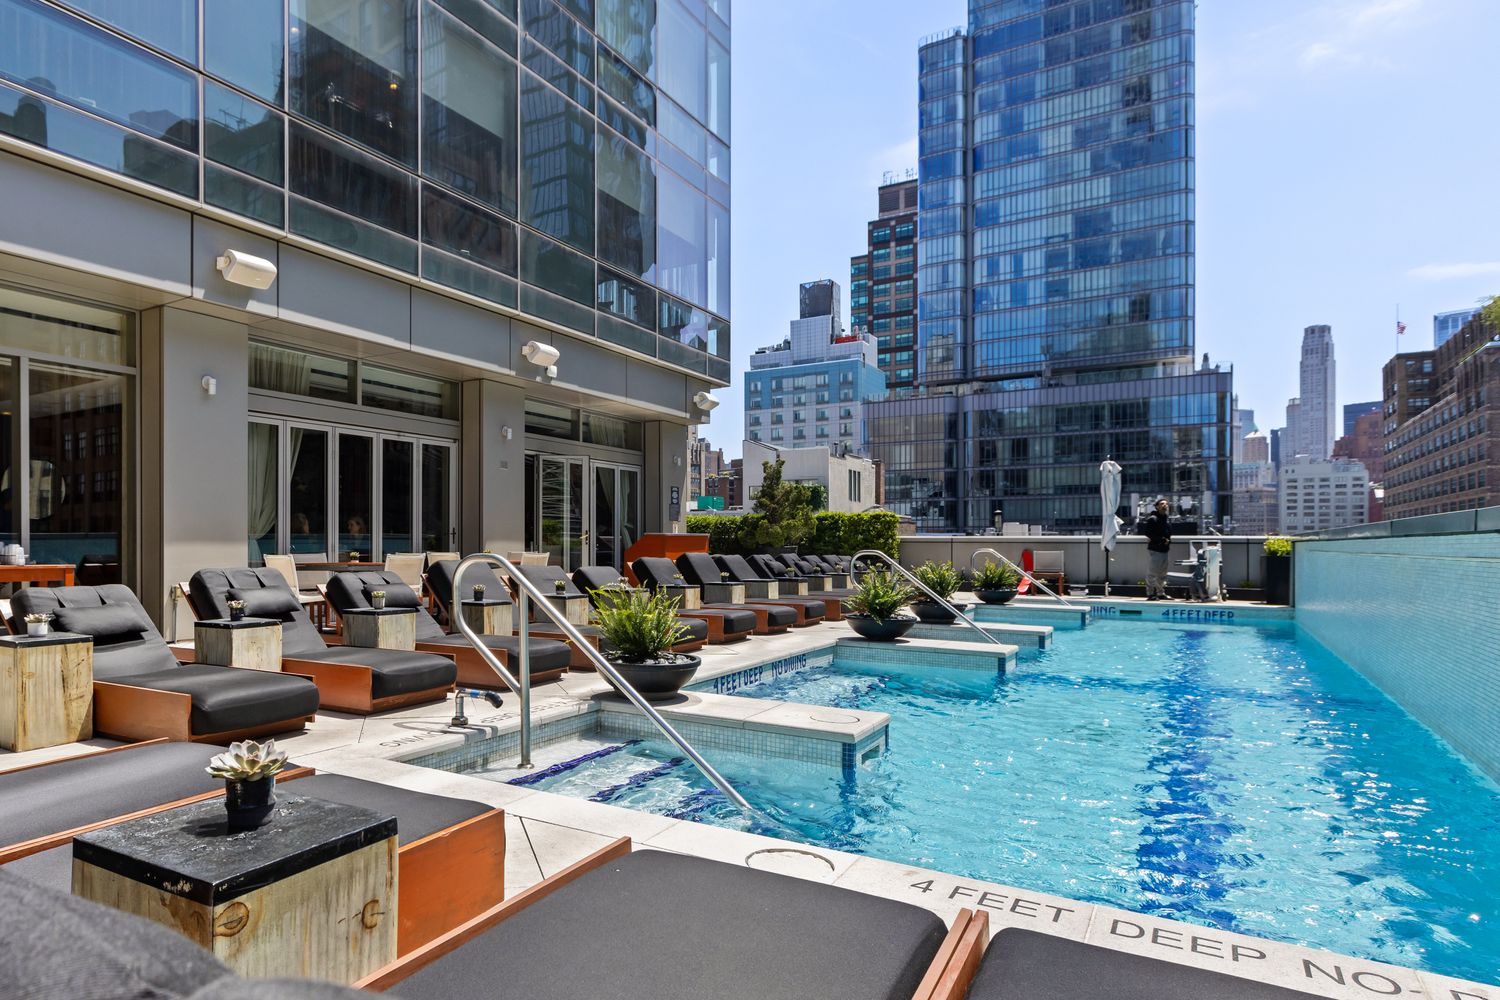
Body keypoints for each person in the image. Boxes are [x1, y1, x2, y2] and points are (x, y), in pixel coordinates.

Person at [1142, 498, 1173, 600]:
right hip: (1156, 549)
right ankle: (1150, 594)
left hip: (1164, 549)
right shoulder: (1153, 519)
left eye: (1166, 504)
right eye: (1162, 504)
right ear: (1157, 506)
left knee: (1162, 574)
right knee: (1152, 573)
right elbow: (1148, 533)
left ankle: (1160, 593)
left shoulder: (1165, 519)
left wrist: (1167, 540)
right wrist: (1161, 539)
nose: (1165, 505)